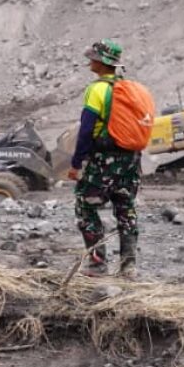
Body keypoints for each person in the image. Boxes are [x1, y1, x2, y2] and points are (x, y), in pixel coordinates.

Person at [67, 39, 141, 278]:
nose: (89, 61)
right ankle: (129, 266)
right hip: (131, 160)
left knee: (85, 205)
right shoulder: (129, 89)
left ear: (101, 62)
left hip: (103, 160)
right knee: (126, 209)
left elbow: (86, 129)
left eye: (93, 58)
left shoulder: (97, 89)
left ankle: (98, 263)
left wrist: (77, 163)